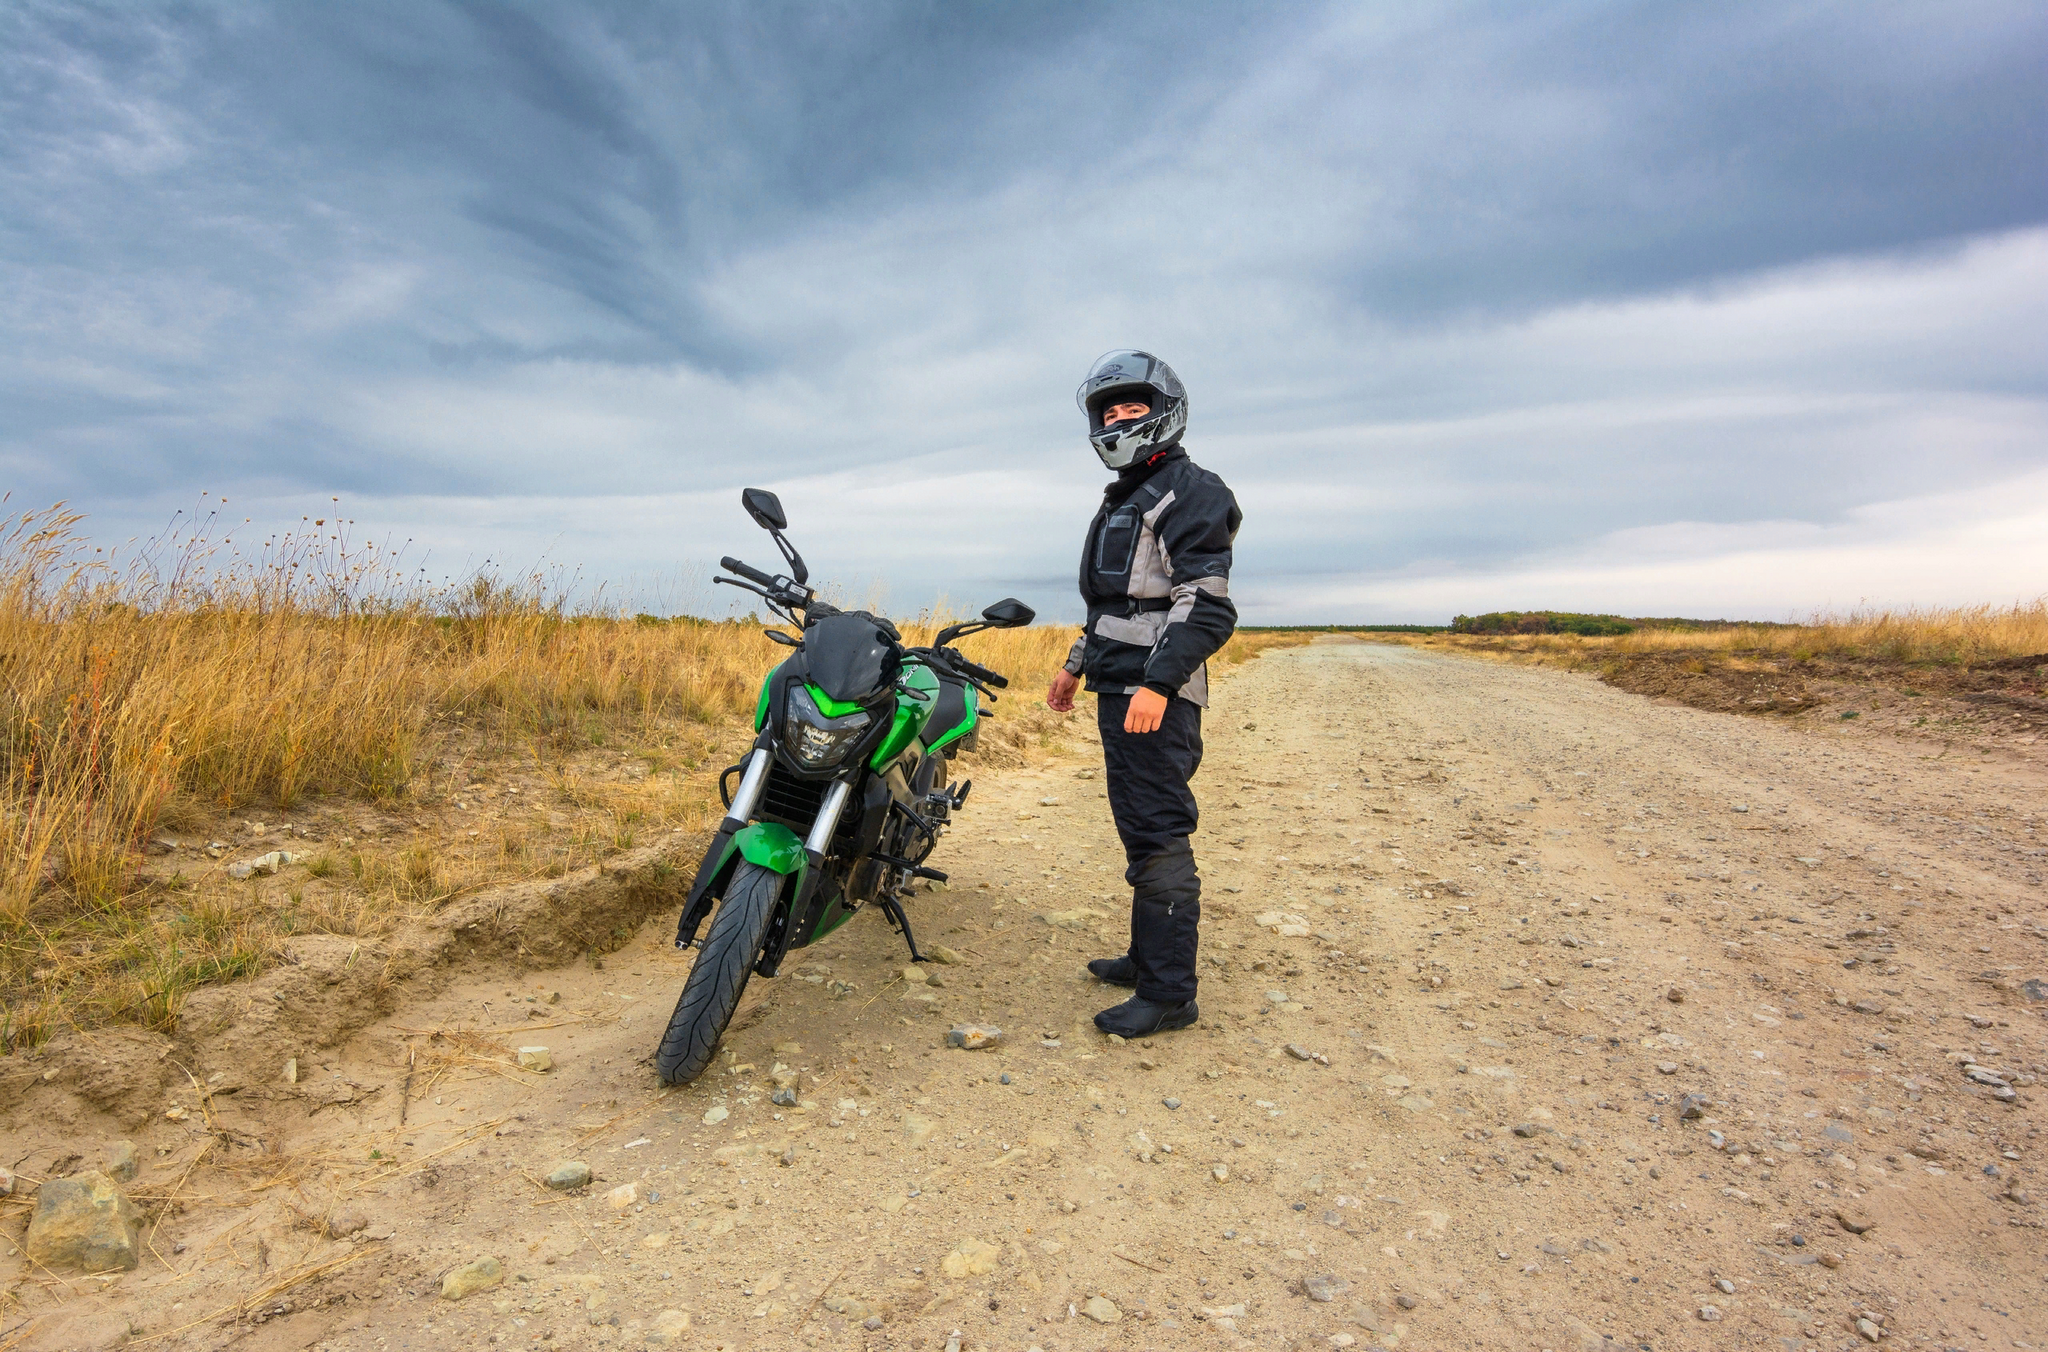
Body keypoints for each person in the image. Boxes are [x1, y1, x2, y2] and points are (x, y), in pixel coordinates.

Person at [1046, 350, 1241, 1038]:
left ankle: (1169, 994)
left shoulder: (1189, 490)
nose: (1120, 419)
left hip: (1154, 695)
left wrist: (1157, 685)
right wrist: (1076, 663)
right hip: (1121, 687)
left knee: (1159, 831)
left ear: (1165, 413)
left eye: (1133, 408)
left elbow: (1206, 606)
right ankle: (1145, 955)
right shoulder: (1131, 493)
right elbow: (1118, 604)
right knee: (1137, 824)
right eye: (1111, 411)